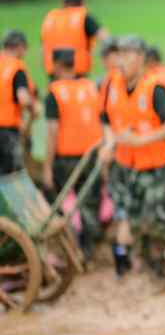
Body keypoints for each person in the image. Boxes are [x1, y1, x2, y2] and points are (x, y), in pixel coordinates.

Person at [102, 35, 165, 286]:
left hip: (157, 166)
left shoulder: (154, 88)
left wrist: (144, 139)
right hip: (127, 165)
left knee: (155, 222)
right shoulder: (111, 86)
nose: (121, 61)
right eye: (119, 54)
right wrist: (109, 143)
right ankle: (157, 279)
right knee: (134, 223)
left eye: (128, 54)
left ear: (141, 58)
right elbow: (107, 121)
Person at [43, 49, 109, 259]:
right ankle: (89, 252)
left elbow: (52, 130)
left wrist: (47, 166)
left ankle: (68, 248)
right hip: (91, 156)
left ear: (57, 66)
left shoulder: (54, 91)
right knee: (90, 204)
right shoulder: (91, 87)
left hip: (66, 159)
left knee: (57, 203)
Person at [40, 0, 108, 78]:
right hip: (76, 71)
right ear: (82, 1)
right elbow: (105, 38)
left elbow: (43, 45)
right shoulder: (83, 16)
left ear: (63, 2)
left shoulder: (50, 17)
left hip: (54, 71)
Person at [0, 30, 38, 175]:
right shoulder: (16, 67)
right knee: (10, 176)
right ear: (20, 47)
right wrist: (33, 109)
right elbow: (23, 97)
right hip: (6, 131)